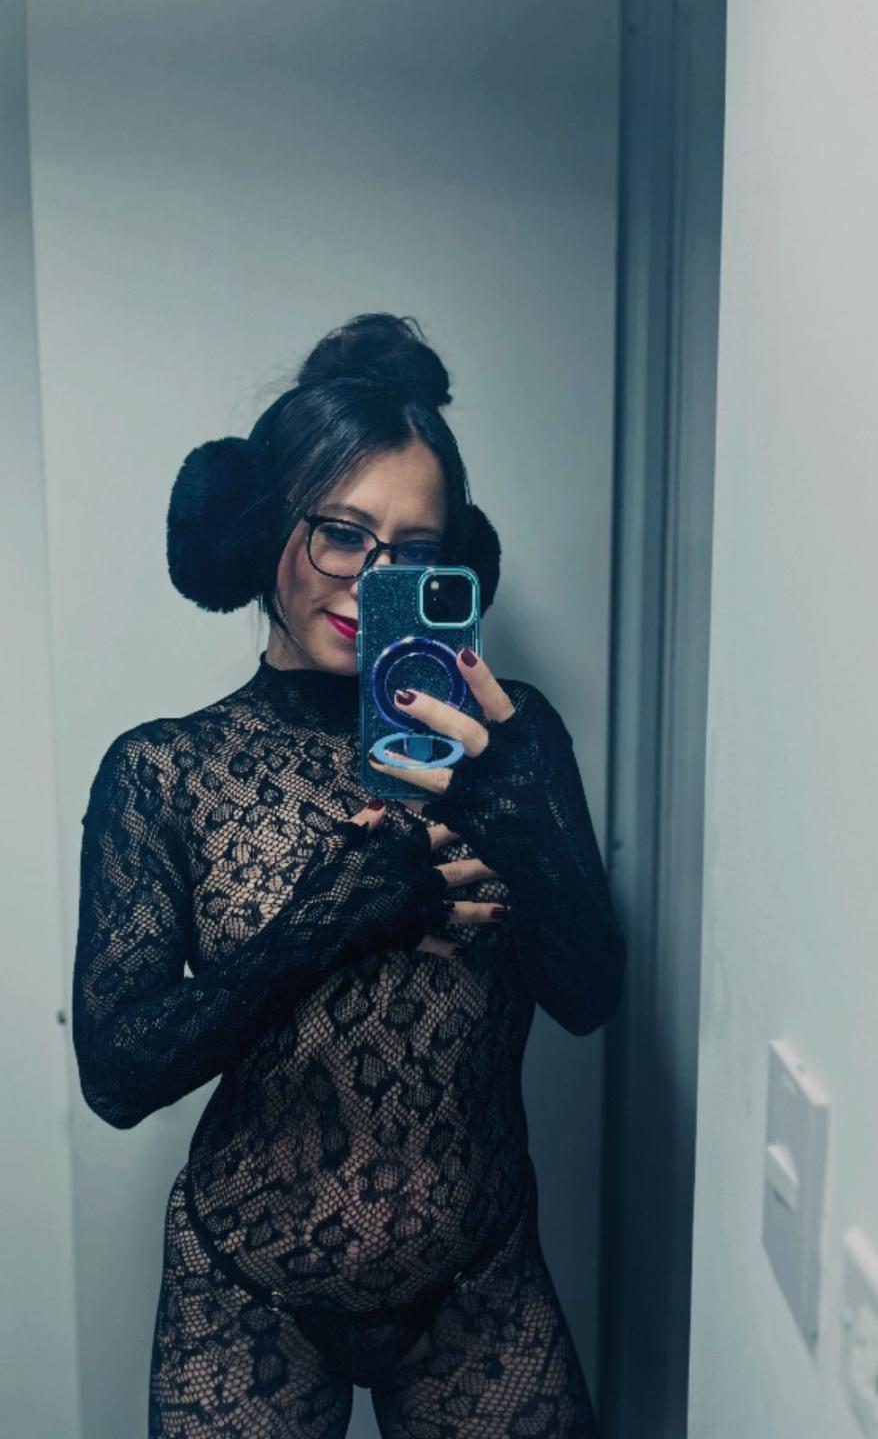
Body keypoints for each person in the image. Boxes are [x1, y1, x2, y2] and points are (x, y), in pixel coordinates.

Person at [72, 312, 627, 1438]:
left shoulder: (511, 743)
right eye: (341, 531)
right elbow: (118, 1072)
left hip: (480, 1278)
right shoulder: (163, 771)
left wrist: (522, 807)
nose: (372, 579)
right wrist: (330, 921)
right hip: (246, 1289)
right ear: (259, 526)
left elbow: (588, 997)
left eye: (413, 550)